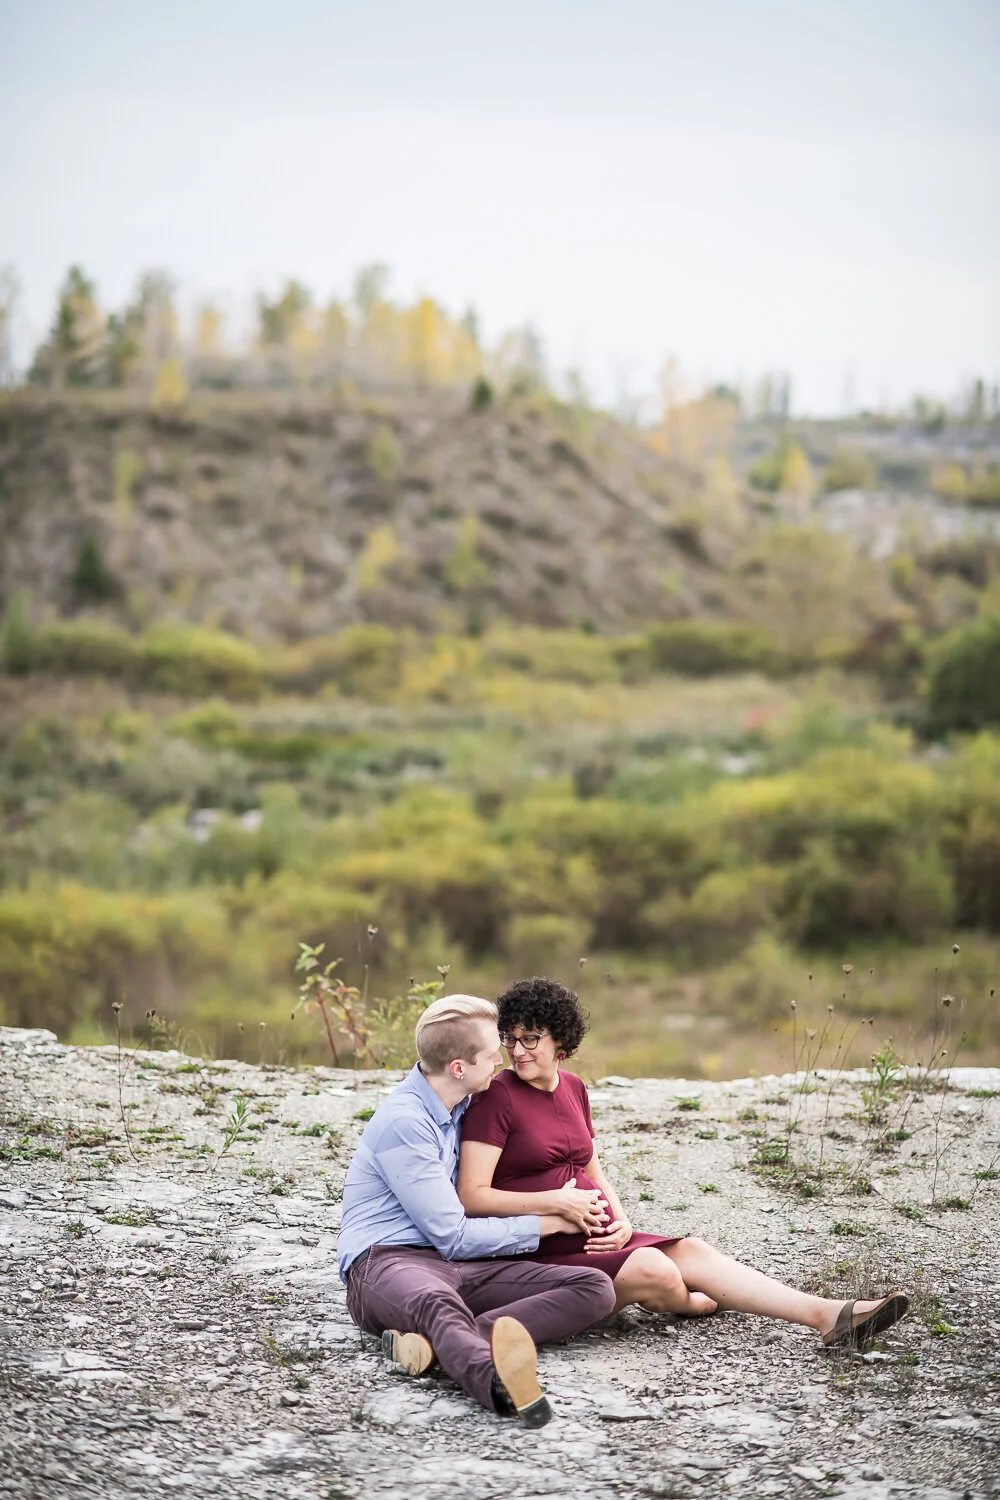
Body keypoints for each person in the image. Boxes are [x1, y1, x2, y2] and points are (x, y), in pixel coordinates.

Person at [458, 977, 909, 1349]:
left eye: (531, 1038)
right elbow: (472, 1196)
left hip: (598, 1239)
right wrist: (556, 1202)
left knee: (693, 1250)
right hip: (541, 1249)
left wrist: (622, 1222)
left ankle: (830, 1315)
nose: (518, 1050)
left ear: (561, 1040)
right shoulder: (497, 1096)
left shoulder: (573, 1087)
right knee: (654, 1269)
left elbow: (592, 1171)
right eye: (510, 1038)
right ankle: (691, 1303)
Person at [337, 993, 617, 1425]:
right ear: (458, 1068)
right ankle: (502, 1386)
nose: (503, 1061)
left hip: (458, 1265)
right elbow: (454, 1236)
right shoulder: (405, 1123)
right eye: (492, 1054)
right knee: (436, 1302)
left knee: (594, 1287)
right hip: (387, 1262)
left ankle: (442, 1347)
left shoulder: (461, 1102)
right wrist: (550, 1221)